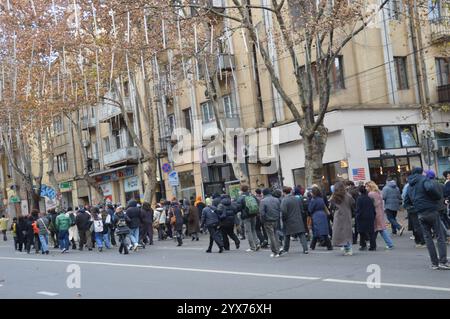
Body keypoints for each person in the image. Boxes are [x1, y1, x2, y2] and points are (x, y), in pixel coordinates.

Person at [404, 167, 449, 270]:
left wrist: (415, 206)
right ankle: (443, 261)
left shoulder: (410, 185)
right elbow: (430, 189)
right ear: (421, 172)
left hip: (420, 213)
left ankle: (434, 263)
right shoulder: (424, 180)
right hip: (431, 210)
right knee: (440, 237)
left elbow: (406, 201)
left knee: (428, 238)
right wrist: (437, 198)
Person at [280, 186, 308, 254]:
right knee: (301, 234)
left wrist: (283, 219)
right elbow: (301, 209)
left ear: (284, 192)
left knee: (287, 235)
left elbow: (284, 211)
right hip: (298, 219)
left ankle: (286, 249)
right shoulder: (297, 199)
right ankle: (305, 249)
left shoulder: (284, 200)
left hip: (289, 220)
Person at [366, 181, 394, 250]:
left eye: (367, 186)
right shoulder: (378, 192)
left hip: (375, 213)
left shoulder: (370, 194)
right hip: (380, 211)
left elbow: (372, 204)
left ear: (370, 187)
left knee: (378, 229)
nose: (366, 188)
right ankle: (373, 243)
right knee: (378, 228)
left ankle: (389, 243)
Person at [330, 182, 355, 256]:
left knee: (340, 232)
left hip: (338, 216)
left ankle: (344, 246)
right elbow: (353, 203)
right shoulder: (348, 196)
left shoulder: (334, 197)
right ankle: (348, 248)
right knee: (347, 232)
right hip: (347, 215)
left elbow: (332, 206)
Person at [236, 185, 260, 252]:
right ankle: (257, 243)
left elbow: (238, 207)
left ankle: (252, 247)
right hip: (254, 214)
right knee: (253, 230)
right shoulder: (252, 195)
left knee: (248, 231)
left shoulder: (241, 198)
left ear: (242, 190)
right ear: (247, 189)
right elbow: (258, 203)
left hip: (246, 216)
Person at [403, 180, 426, 248]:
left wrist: (407, 206)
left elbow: (405, 198)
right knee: (423, 224)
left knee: (416, 226)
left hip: (413, 209)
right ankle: (424, 240)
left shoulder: (408, 188)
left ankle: (420, 241)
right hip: (422, 208)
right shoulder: (422, 186)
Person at [259, 188, 282, 258]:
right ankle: (278, 249)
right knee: (275, 234)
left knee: (271, 236)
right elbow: (279, 209)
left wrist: (262, 220)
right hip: (276, 219)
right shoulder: (276, 199)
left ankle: (275, 251)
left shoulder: (263, 201)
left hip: (268, 220)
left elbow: (262, 213)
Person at [355, 185, 376, 251]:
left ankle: (363, 245)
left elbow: (359, 209)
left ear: (359, 192)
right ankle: (373, 246)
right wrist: (374, 215)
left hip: (362, 217)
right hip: (370, 216)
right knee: (371, 232)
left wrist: (357, 216)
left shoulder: (359, 199)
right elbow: (373, 207)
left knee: (361, 232)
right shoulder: (369, 198)